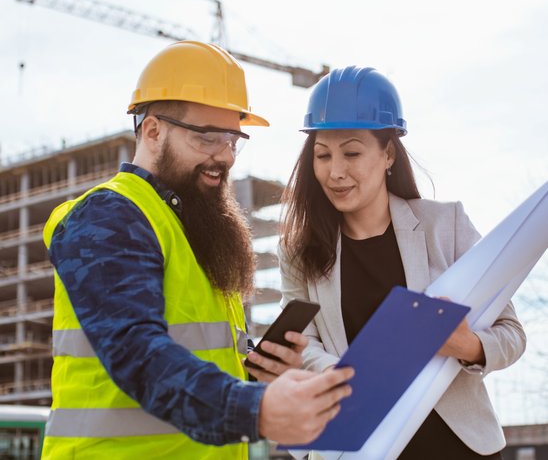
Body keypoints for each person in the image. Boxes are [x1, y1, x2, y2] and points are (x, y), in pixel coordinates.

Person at [41, 41, 354, 459]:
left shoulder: (195, 227)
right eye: (207, 137)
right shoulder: (108, 216)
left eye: (233, 140)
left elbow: (194, 359)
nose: (224, 156)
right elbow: (136, 353)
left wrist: (258, 377)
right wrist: (255, 410)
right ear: (152, 130)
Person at [278, 66, 526, 459]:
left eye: (353, 153)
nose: (335, 172)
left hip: (457, 447)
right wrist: (342, 375)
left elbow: (512, 333)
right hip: (360, 446)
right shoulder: (299, 250)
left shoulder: (446, 225)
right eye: (323, 155)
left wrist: (470, 345)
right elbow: (304, 342)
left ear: (388, 153)